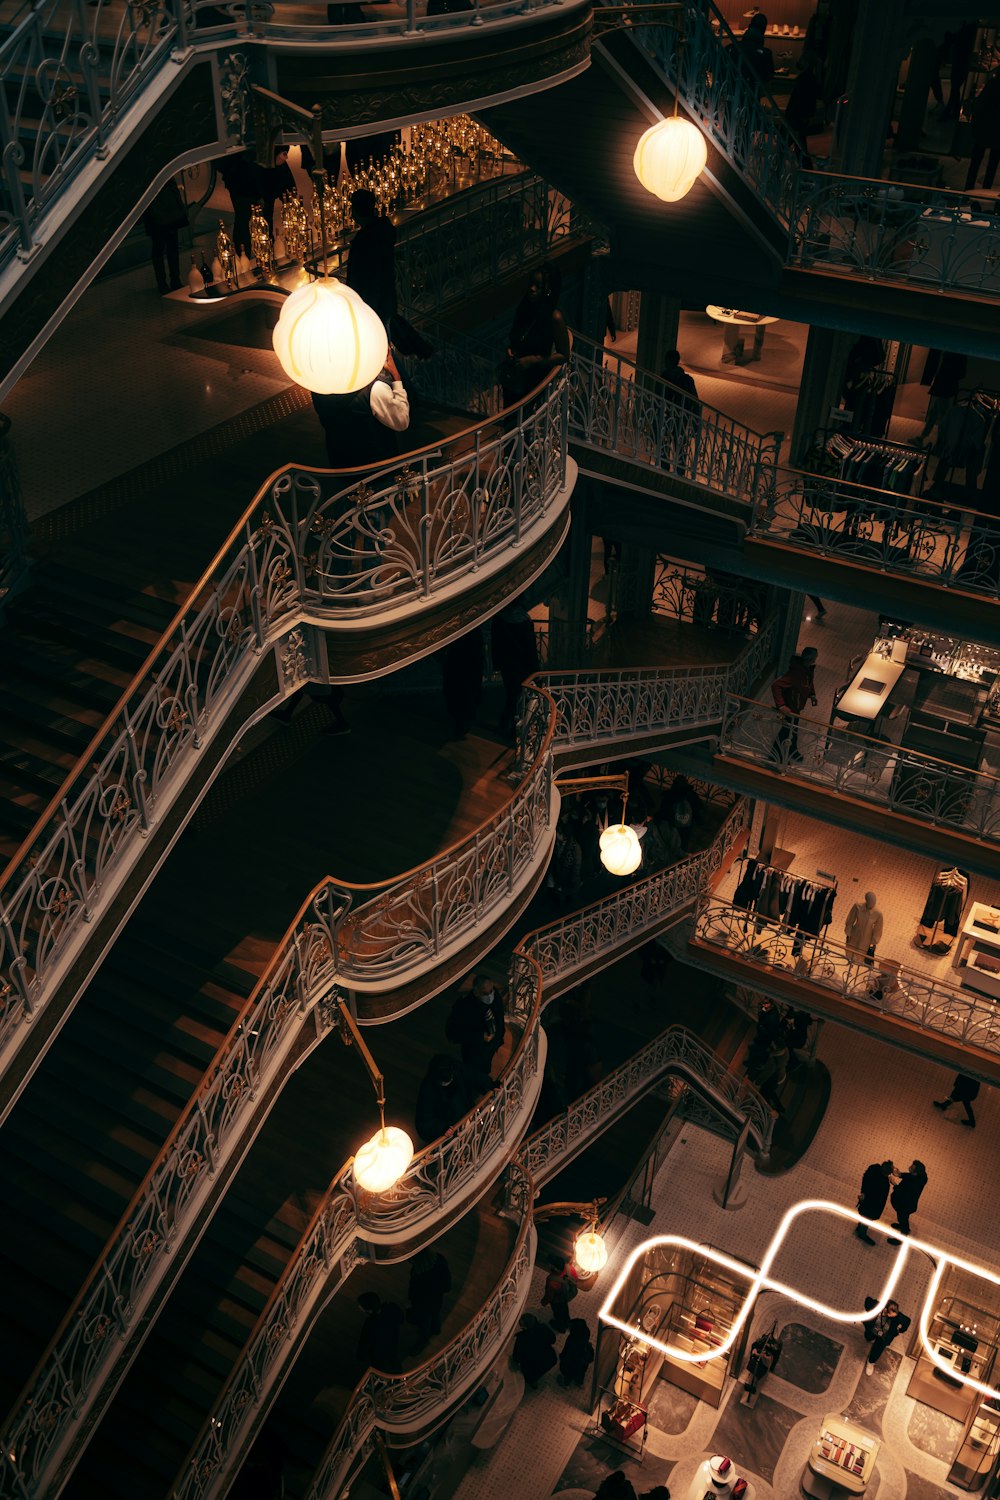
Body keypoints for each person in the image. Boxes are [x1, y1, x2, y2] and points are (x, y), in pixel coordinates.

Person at [311, 349, 410, 470]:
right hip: (378, 469)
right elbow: (401, 421)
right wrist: (397, 377)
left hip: (342, 466)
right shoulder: (375, 389)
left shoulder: (317, 386)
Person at [500, 263, 570, 408]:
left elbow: (564, 355)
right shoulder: (526, 308)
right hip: (515, 375)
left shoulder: (554, 317)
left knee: (524, 420)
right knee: (510, 416)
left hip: (534, 379)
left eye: (538, 286)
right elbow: (516, 337)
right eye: (531, 284)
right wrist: (510, 349)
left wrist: (533, 360)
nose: (532, 289)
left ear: (548, 290)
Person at [346, 187, 398, 329]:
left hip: (371, 305)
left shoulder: (365, 242)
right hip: (385, 301)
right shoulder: (382, 231)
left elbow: (366, 279)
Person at [414, 1053, 494, 1144]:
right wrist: (442, 1128)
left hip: (466, 1114)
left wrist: (490, 1084)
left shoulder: (456, 1069)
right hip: (451, 1127)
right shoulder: (428, 1090)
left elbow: (473, 1076)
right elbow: (424, 1120)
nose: (446, 1084)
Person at [490, 599, 539, 738]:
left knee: (512, 694)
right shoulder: (524, 620)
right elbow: (530, 649)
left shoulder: (499, 619)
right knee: (519, 696)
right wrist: (536, 670)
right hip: (523, 665)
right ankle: (512, 726)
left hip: (508, 664)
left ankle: (506, 722)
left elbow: (496, 644)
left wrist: (497, 664)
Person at [446, 973, 506, 1073]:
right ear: (476, 992)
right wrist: (480, 1037)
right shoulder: (464, 1008)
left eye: (491, 991)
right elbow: (453, 1034)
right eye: (485, 993)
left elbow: (499, 1016)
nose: (490, 995)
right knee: (477, 1071)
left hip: (492, 1043)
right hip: (475, 1050)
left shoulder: (495, 995)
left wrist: (498, 1038)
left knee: (487, 1064)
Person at [769, 648, 818, 765]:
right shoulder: (796, 673)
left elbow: (808, 682)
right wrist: (781, 705)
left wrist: (812, 694)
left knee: (793, 730)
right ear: (811, 659)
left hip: (795, 707)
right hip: (790, 707)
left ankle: (791, 751)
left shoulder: (807, 670)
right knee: (786, 731)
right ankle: (776, 755)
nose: (817, 659)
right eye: (816, 657)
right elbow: (776, 685)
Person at [142, 179, 186, 295]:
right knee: (171, 244)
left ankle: (162, 283)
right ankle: (175, 279)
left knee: (158, 246)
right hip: (168, 203)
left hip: (154, 205)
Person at [441, 626, 484, 740]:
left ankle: (459, 723)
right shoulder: (473, 631)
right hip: (468, 669)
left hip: (457, 668)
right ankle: (461, 723)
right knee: (465, 697)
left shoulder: (456, 632)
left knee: (458, 697)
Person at [408, 1248, 452, 1347]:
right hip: (436, 1297)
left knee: (424, 1322)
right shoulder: (438, 1260)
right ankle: (436, 1329)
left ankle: (423, 1339)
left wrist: (412, 1300)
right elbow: (446, 1278)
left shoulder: (419, 1272)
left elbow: (416, 1291)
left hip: (424, 1303)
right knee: (435, 1313)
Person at [966, 71, 1000, 192]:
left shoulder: (992, 84)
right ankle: (986, 190)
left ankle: (969, 187)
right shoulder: (993, 84)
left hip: (984, 126)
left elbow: (982, 105)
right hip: (997, 129)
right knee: (993, 162)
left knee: (976, 160)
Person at [356, 1291, 404, 1374]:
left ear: (369, 1310)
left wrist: (360, 1356)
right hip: (393, 1339)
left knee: (382, 1366)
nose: (359, 1307)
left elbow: (365, 1342)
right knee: (394, 1359)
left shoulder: (370, 1325)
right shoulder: (392, 1308)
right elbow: (401, 1319)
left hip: (380, 1350)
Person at [862, 1296, 911, 1373]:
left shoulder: (898, 1316)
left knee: (878, 1349)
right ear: (885, 1309)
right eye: (891, 1315)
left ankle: (871, 1362)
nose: (893, 1317)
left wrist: (900, 1329)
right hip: (872, 1329)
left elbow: (907, 1321)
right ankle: (870, 1338)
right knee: (868, 1336)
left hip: (884, 1337)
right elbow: (867, 1301)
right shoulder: (877, 1307)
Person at [729, 12, 774, 93]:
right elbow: (767, 86)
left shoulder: (731, 47)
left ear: (749, 26)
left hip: (730, 93)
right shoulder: (766, 54)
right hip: (751, 98)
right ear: (764, 30)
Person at [512, 1313, 557, 1388]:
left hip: (533, 1365)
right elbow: (553, 1339)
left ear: (525, 1327)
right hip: (549, 1358)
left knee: (530, 1373)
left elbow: (516, 1358)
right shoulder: (543, 1328)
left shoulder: (521, 1339)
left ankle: (532, 1381)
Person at [855, 1160, 894, 1243]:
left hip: (865, 1199)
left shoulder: (873, 1168)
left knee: (864, 1214)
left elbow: (865, 1178)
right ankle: (862, 1233)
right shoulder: (884, 1184)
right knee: (867, 1218)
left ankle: (860, 1226)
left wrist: (863, 1192)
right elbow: (881, 1200)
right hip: (872, 1206)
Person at [660, 774, 703, 852]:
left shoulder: (670, 795)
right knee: (684, 842)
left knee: (671, 841)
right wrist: (700, 822)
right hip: (687, 824)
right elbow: (698, 808)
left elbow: (664, 809)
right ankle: (682, 859)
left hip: (673, 824)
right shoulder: (691, 795)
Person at [541, 1255, 579, 1334]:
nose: (548, 1265)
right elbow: (575, 1280)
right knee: (565, 1310)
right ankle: (567, 1322)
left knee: (558, 1313)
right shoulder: (570, 1268)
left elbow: (549, 1295)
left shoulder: (552, 1280)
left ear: (554, 1267)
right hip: (566, 1297)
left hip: (557, 1301)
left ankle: (561, 1327)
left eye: (550, 1264)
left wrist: (544, 1302)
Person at [890, 1160, 928, 1236]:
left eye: (912, 1167)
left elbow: (902, 1193)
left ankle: (903, 1234)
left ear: (916, 1172)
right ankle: (902, 1226)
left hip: (905, 1204)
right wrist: (900, 1174)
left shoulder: (913, 1185)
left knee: (902, 1218)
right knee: (903, 1217)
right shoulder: (921, 1177)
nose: (909, 1167)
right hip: (908, 1204)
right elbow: (911, 1176)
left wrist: (894, 1184)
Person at [559, 1317, 595, 1387]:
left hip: (573, 1361)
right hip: (583, 1359)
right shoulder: (586, 1331)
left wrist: (562, 1357)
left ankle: (566, 1383)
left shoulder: (572, 1340)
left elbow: (567, 1353)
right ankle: (579, 1382)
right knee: (581, 1371)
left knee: (569, 1371)